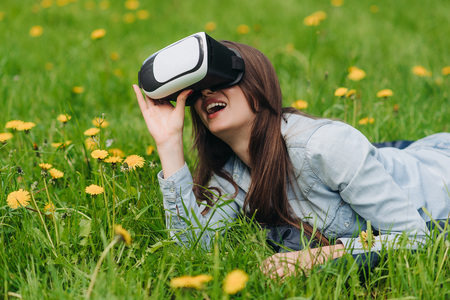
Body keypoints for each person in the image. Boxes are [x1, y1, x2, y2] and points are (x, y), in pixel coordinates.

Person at [133, 38, 450, 278]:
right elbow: (192, 247)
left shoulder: (326, 146)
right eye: (197, 91)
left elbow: (415, 238)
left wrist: (315, 257)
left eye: (219, 82)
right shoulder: (233, 176)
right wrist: (168, 144)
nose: (205, 94)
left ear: (257, 86)